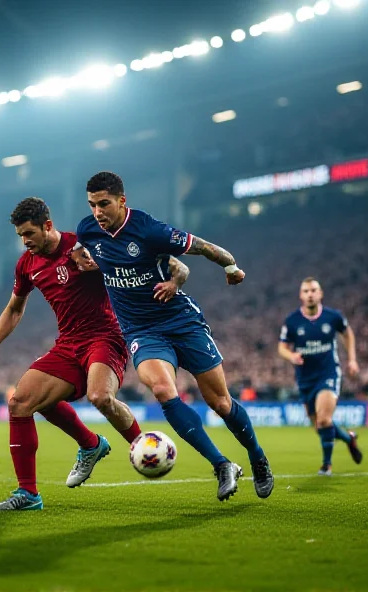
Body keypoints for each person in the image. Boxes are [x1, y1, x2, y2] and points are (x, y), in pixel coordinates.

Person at [0, 197, 187, 511]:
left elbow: (131, 265)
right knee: (20, 402)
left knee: (100, 397)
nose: (25, 241)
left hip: (106, 335)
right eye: (20, 236)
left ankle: (146, 449)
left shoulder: (83, 244)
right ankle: (34, 490)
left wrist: (102, 264)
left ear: (47, 225)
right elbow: (15, 309)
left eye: (29, 233)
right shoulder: (26, 265)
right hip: (69, 343)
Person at [73, 171, 274, 501]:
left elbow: (203, 250)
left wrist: (230, 268)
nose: (97, 212)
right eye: (92, 205)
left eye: (104, 204)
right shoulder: (89, 229)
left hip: (181, 322)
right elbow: (83, 250)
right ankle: (222, 465)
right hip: (142, 331)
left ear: (122, 201)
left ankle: (257, 456)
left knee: (221, 403)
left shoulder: (150, 230)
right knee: (164, 389)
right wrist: (90, 263)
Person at [278, 277, 363, 475]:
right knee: (319, 426)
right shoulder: (292, 321)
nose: (310, 294)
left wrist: (352, 359)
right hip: (305, 378)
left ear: (320, 293)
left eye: (313, 290)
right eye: (306, 291)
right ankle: (349, 439)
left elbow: (348, 334)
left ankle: (327, 465)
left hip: (328, 373)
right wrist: (291, 355)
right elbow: (281, 347)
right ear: (301, 295)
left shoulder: (333, 317)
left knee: (324, 420)